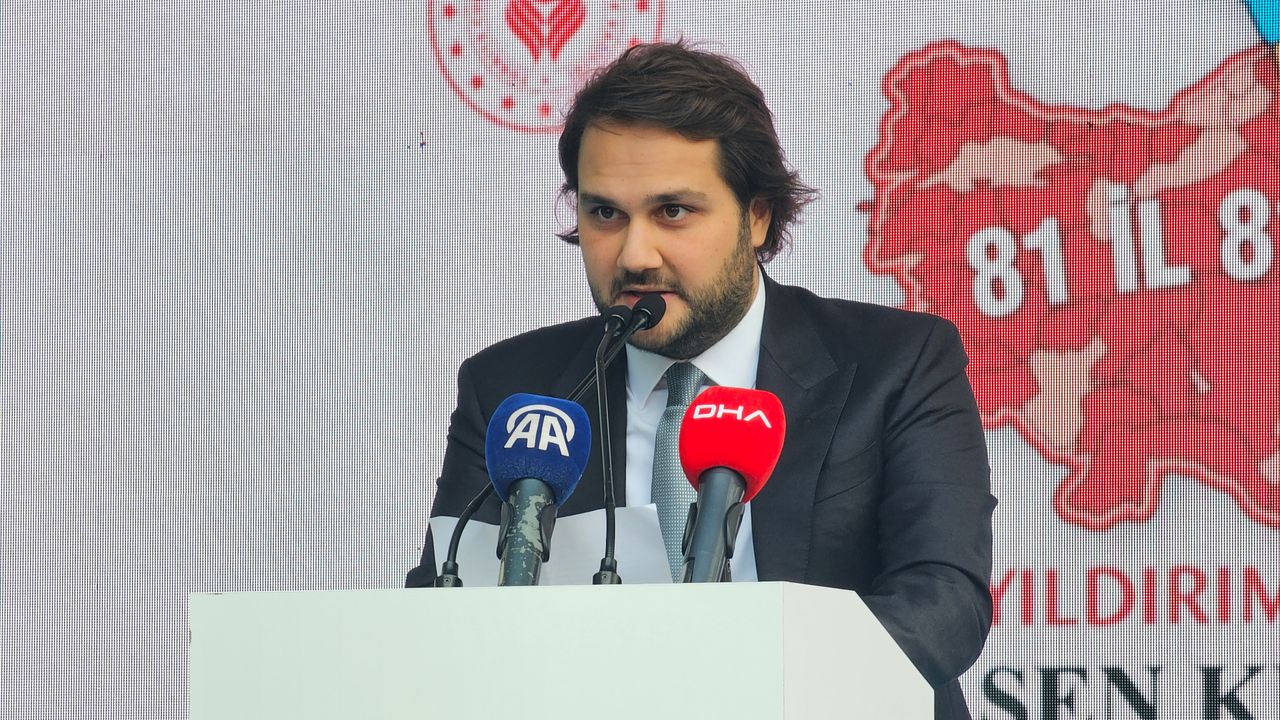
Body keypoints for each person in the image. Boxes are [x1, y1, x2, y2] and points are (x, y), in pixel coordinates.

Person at [407, 42, 996, 720]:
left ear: (757, 215)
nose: (635, 255)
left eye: (673, 212)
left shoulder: (897, 361)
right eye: (606, 214)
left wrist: (743, 688)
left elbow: (942, 600)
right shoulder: (514, 388)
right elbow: (443, 606)